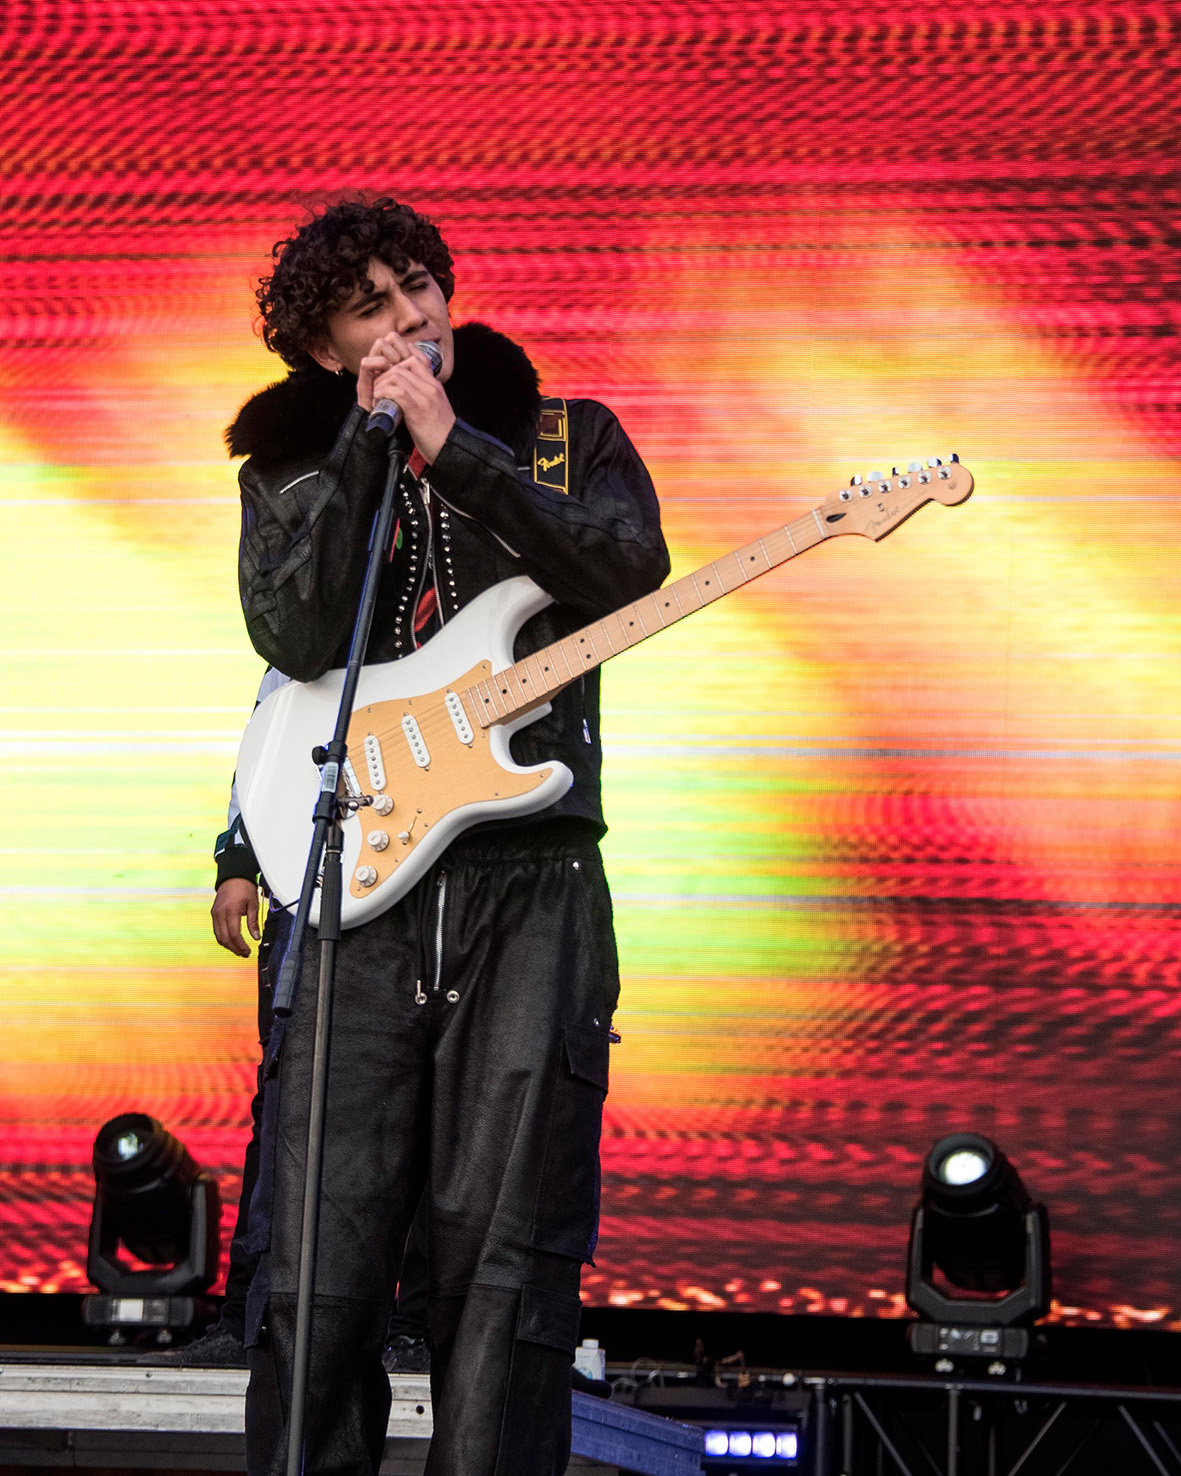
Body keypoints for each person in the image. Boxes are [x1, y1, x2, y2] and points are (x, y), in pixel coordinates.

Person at [227, 197, 668, 1476]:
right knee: (319, 1262)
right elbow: (294, 645)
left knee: (505, 1263)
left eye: (416, 286)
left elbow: (627, 571)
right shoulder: (291, 473)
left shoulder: (565, 439)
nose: (406, 318)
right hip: (355, 889)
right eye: (366, 308)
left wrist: (453, 448)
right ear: (325, 351)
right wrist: (368, 454)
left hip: (528, 886)